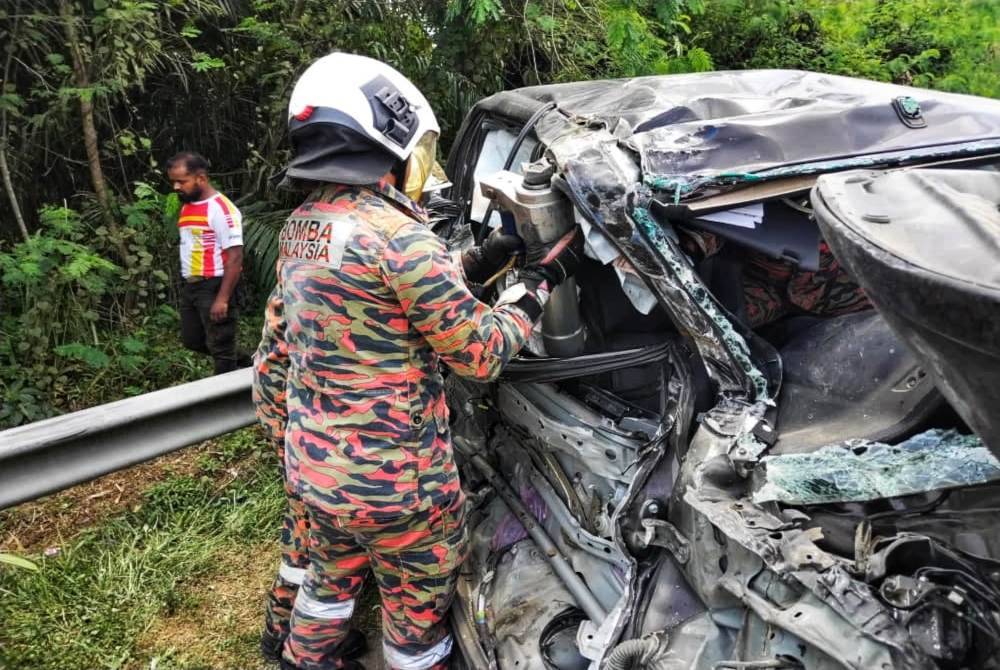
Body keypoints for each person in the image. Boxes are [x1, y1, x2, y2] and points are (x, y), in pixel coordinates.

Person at [252, 52, 580, 670]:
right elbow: (480, 354)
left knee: (328, 586)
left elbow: (376, 300)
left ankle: (301, 659)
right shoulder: (401, 236)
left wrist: (484, 259)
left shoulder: (305, 226)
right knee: (415, 614)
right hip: (398, 487)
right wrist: (539, 282)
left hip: (317, 471)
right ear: (388, 139)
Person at [167, 151, 246, 374]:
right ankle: (246, 361)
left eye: (182, 181)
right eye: (173, 181)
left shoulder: (221, 209)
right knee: (192, 340)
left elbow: (235, 256)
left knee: (221, 347)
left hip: (215, 283)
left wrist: (222, 298)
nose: (176, 187)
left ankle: (227, 400)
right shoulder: (187, 206)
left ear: (201, 178)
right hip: (192, 285)